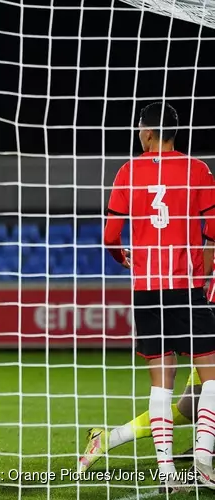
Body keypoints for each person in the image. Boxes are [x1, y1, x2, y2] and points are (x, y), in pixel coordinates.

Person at [97, 101, 215, 492]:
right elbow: (213, 231)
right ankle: (203, 456)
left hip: (148, 289)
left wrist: (122, 255)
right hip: (186, 287)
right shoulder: (198, 170)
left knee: (161, 385)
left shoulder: (128, 171)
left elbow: (111, 236)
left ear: (146, 132)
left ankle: (167, 472)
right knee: (212, 378)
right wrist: (206, 273)